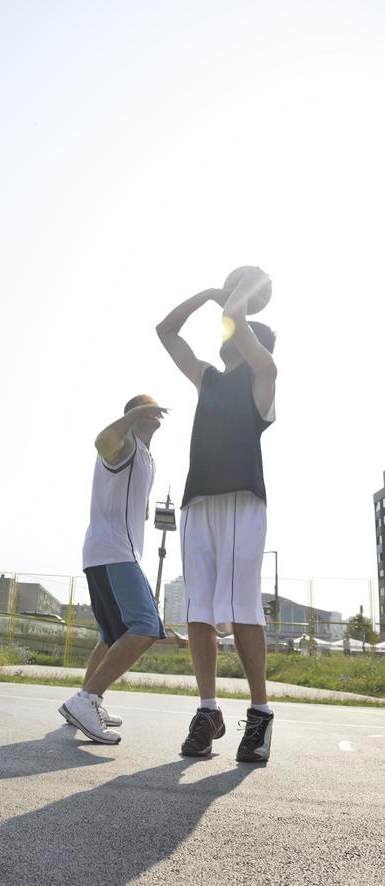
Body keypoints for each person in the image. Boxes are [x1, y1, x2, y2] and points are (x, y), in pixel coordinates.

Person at [156, 267, 277, 763]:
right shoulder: (208, 379)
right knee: (199, 609)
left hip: (243, 501)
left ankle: (261, 714)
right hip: (199, 500)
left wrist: (239, 293)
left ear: (253, 342)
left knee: (243, 606)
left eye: (242, 333)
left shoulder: (265, 376)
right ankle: (208, 710)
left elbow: (234, 318)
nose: (230, 335)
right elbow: (166, 332)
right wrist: (208, 292)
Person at [59, 395, 169, 745]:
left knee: (111, 635)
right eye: (145, 407)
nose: (154, 411)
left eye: (153, 407)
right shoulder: (122, 445)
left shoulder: (146, 456)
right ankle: (86, 700)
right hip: (114, 551)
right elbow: (101, 442)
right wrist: (134, 413)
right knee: (146, 627)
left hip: (106, 551)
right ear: (136, 415)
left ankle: (86, 701)